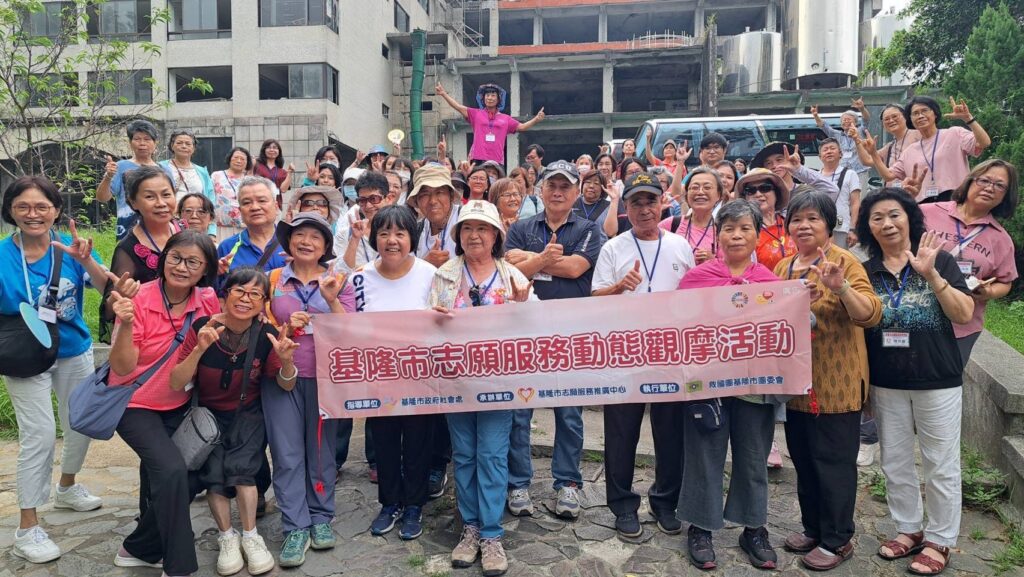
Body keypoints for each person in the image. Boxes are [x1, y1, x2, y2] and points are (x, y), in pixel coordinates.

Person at [0, 176, 134, 564]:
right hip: (24, 355)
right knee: (39, 433)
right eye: (23, 206)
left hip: (72, 349)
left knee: (79, 421)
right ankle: (27, 527)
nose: (32, 214)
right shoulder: (4, 256)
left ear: (56, 210)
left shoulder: (70, 247)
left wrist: (85, 258)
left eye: (42, 206)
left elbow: (106, 287)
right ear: (10, 210)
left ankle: (67, 485)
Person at [856, 189, 974, 577]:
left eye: (894, 215)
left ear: (909, 217)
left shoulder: (937, 259)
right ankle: (908, 528)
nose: (887, 224)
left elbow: (964, 312)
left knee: (941, 463)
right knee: (895, 461)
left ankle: (940, 539)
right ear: (867, 227)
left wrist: (933, 276)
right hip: (887, 381)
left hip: (937, 378)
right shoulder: (866, 270)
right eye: (877, 218)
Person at [675, 199, 789, 570]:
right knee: (704, 454)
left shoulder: (773, 284)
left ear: (758, 233)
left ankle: (753, 527)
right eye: (729, 228)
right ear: (718, 233)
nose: (736, 235)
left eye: (745, 228)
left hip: (755, 385)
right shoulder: (697, 278)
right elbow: (678, 327)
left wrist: (808, 309)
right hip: (708, 384)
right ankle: (701, 527)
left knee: (753, 457)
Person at [774, 191, 883, 571]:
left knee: (833, 463)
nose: (803, 226)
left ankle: (838, 539)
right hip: (797, 387)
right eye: (797, 219)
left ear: (829, 224)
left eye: (813, 219)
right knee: (804, 460)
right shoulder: (785, 266)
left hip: (836, 385)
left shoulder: (845, 262)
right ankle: (813, 528)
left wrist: (840, 289)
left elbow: (870, 314)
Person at [168, 268, 299, 576]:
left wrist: (287, 360)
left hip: (248, 414)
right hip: (208, 417)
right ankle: (228, 536)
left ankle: (251, 536)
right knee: (214, 476)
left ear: (264, 302)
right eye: (240, 291)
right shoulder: (203, 327)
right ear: (224, 294)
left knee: (242, 472)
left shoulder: (267, 336)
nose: (246, 299)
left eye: (256, 294)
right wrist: (200, 348)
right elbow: (176, 381)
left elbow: (286, 384)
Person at [428, 200, 534, 576]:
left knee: (491, 454)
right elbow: (425, 328)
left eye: (483, 229)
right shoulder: (443, 275)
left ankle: (491, 534)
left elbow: (532, 332)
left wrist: (521, 310)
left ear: (496, 236)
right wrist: (434, 320)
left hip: (499, 385)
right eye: (467, 229)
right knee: (466, 454)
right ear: (459, 236)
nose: (475, 235)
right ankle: (469, 528)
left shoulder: (514, 278)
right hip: (456, 381)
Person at [107, 230, 221, 577]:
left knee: (187, 475)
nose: (182, 267)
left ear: (205, 270)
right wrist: (125, 323)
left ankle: (138, 548)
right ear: (162, 259)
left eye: (192, 262)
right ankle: (180, 567)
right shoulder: (138, 298)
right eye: (175, 257)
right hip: (134, 403)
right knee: (171, 469)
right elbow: (123, 367)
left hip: (179, 402)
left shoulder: (207, 300)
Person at [590, 172, 694, 541]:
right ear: (627, 208)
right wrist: (618, 288)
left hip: (670, 356)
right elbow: (594, 301)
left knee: (670, 435)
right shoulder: (613, 248)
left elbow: (694, 299)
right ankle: (622, 505)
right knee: (621, 435)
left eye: (651, 201)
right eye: (636, 202)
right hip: (624, 356)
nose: (645, 209)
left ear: (662, 202)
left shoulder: (680, 246)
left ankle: (666, 502)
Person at [504, 160, 605, 520]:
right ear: (540, 190)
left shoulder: (590, 229)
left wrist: (533, 260)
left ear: (576, 192)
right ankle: (518, 483)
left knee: (570, 414)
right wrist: (546, 259)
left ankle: (568, 483)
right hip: (524, 333)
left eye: (565, 186)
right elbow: (508, 269)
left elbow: (577, 268)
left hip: (569, 335)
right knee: (519, 412)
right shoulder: (520, 227)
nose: (558, 191)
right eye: (551, 185)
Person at [264, 213, 349, 568]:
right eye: (300, 234)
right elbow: (258, 319)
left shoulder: (339, 280)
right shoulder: (272, 279)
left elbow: (351, 330)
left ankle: (321, 517)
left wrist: (330, 302)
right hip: (281, 376)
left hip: (326, 377)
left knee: (321, 449)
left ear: (326, 247)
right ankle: (295, 525)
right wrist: (284, 327)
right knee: (286, 453)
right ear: (288, 242)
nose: (306, 241)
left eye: (315, 236)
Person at [349, 206, 439, 540]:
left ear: (411, 238)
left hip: (421, 378)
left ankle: (414, 506)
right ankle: (390, 503)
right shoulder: (360, 277)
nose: (392, 240)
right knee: (384, 444)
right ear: (374, 238)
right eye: (384, 233)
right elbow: (349, 326)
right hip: (380, 379)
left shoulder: (430, 274)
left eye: (400, 233)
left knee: (417, 444)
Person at [918, 159, 1019, 363]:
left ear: (1005, 196)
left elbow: (1005, 282)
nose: (990, 188)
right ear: (970, 181)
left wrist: (988, 292)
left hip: (960, 327)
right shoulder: (929, 212)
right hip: (915, 314)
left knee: (944, 387)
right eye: (984, 180)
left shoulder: (1001, 238)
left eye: (999, 185)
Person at [101, 166, 183, 342]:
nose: (161, 203)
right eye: (149, 197)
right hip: (149, 337)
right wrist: (121, 294)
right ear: (133, 202)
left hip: (188, 330)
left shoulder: (185, 232)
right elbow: (108, 310)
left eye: (166, 194)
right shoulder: (128, 248)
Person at [865, 96, 991, 201]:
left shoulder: (954, 134)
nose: (920, 116)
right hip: (925, 206)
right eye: (915, 113)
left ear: (935, 114)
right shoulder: (910, 150)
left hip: (957, 201)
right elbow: (888, 175)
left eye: (924, 111)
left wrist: (968, 119)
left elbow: (984, 143)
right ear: (910, 120)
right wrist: (873, 153)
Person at [436, 82, 546, 166]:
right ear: (483, 98)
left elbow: (522, 127)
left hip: (497, 160)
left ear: (498, 99)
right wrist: (443, 94)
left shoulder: (506, 118)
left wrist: (536, 119)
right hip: (477, 157)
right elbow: (457, 106)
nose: (489, 98)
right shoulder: (476, 114)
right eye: (487, 95)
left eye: (493, 95)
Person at [96, 119, 160, 240]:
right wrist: (108, 176)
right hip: (127, 231)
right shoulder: (120, 167)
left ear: (155, 143)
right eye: (137, 139)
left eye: (147, 139)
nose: (142, 143)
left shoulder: (163, 170)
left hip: (157, 230)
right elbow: (102, 198)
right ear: (130, 143)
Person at [217, 176, 289, 279]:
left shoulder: (293, 242)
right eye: (246, 203)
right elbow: (218, 290)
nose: (255, 207)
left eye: (262, 200)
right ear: (240, 210)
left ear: (276, 206)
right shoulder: (227, 248)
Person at [333, 172, 397, 275]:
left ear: (388, 198)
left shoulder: (401, 233)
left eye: (374, 199)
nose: (368, 206)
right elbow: (340, 273)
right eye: (362, 200)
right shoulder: (345, 234)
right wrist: (354, 239)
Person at [734, 168, 796, 272]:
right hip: (762, 287)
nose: (758, 194)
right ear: (745, 198)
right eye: (751, 190)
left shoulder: (790, 223)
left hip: (795, 286)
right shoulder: (743, 231)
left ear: (777, 193)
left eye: (765, 188)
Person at [660, 167, 723, 265]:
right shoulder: (671, 224)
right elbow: (645, 241)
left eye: (707, 187)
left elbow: (734, 268)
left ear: (718, 195)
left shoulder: (723, 230)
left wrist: (713, 261)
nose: (700, 192)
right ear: (686, 194)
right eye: (694, 187)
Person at [160, 130, 216, 237]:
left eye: (188, 144)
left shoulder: (202, 172)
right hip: (168, 221)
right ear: (172, 146)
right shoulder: (160, 167)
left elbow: (210, 201)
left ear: (193, 148)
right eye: (179, 143)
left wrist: (212, 232)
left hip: (195, 222)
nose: (184, 146)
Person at [409, 163, 462, 269]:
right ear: (417, 201)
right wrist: (425, 264)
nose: (433, 201)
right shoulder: (416, 231)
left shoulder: (465, 220)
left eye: (440, 192)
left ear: (451, 196)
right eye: (425, 194)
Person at [855, 103, 920, 187]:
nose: (891, 121)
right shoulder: (890, 146)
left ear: (905, 117)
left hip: (916, 192)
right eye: (886, 119)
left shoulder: (919, 135)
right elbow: (867, 161)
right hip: (893, 194)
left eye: (895, 116)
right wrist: (856, 140)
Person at [811, 99, 871, 184]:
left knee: (859, 196)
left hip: (860, 171)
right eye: (844, 120)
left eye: (849, 119)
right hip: (843, 171)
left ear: (855, 122)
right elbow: (824, 126)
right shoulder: (837, 134)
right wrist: (815, 115)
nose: (846, 121)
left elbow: (866, 119)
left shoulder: (860, 131)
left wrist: (862, 108)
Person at [818, 137, 862, 248]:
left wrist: (853, 229)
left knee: (840, 260)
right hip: (819, 227)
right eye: (825, 149)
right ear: (820, 157)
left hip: (841, 228)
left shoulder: (850, 174)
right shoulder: (815, 177)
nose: (829, 151)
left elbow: (855, 203)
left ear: (840, 154)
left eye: (832, 148)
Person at [212, 147, 252, 241]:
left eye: (243, 159)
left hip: (244, 227)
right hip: (220, 226)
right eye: (235, 157)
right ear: (230, 159)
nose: (239, 161)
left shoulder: (250, 180)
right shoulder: (217, 175)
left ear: (247, 163)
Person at [573, 169, 618, 239]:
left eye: (596, 183)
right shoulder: (573, 202)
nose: (591, 186)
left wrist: (614, 200)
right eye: (588, 182)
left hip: (599, 247)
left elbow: (610, 233)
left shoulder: (608, 206)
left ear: (602, 188)